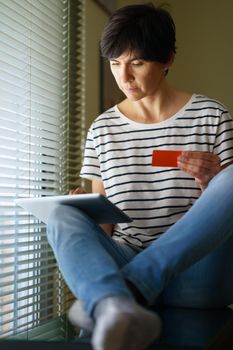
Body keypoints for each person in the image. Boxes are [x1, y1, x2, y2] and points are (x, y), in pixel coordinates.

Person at [46, 3, 233, 350]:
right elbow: (106, 227)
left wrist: (213, 181)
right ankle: (113, 302)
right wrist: (84, 213)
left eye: (137, 62)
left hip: (195, 277)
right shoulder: (101, 129)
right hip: (125, 261)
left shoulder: (212, 116)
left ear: (168, 60)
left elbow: (225, 210)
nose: (124, 77)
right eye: (115, 63)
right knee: (60, 213)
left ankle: (124, 290)